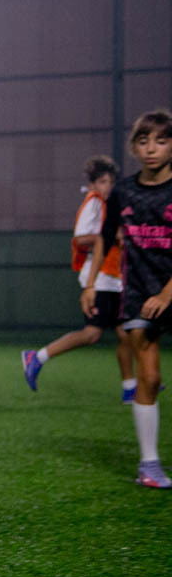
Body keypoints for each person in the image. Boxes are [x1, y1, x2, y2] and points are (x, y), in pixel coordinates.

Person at [82, 109, 172, 489]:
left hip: (168, 289)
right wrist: (91, 284)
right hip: (138, 293)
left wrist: (167, 292)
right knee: (149, 377)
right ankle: (149, 466)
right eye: (143, 141)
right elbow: (104, 238)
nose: (151, 149)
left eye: (161, 141)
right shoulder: (122, 192)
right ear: (134, 147)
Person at [22, 155, 136, 400]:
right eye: (102, 181)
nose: (107, 186)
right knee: (92, 333)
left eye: (110, 182)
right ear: (93, 184)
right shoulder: (93, 202)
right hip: (98, 278)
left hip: (115, 277)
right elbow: (80, 237)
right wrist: (108, 236)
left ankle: (131, 388)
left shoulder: (109, 204)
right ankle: (36, 357)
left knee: (125, 333)